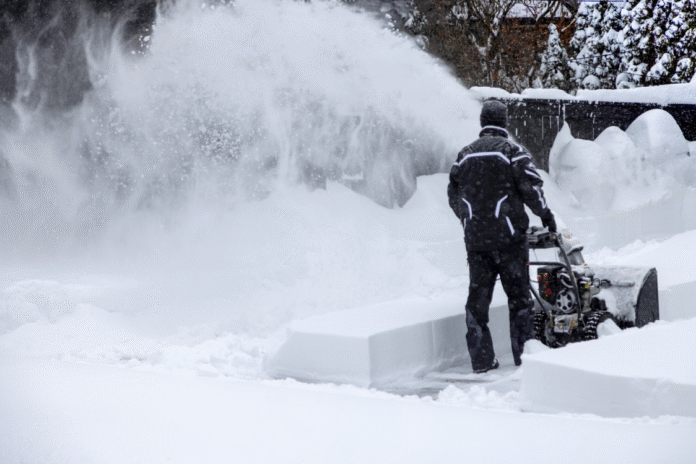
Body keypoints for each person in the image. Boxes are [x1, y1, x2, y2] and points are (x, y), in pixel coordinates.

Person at [447, 100, 556, 373]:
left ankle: (482, 361)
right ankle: (524, 358)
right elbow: (531, 188)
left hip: (476, 243)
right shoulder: (512, 151)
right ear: (504, 122)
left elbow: (452, 193)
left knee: (477, 302)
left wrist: (469, 218)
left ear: (482, 122)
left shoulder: (464, 154)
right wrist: (545, 215)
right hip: (510, 241)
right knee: (519, 300)